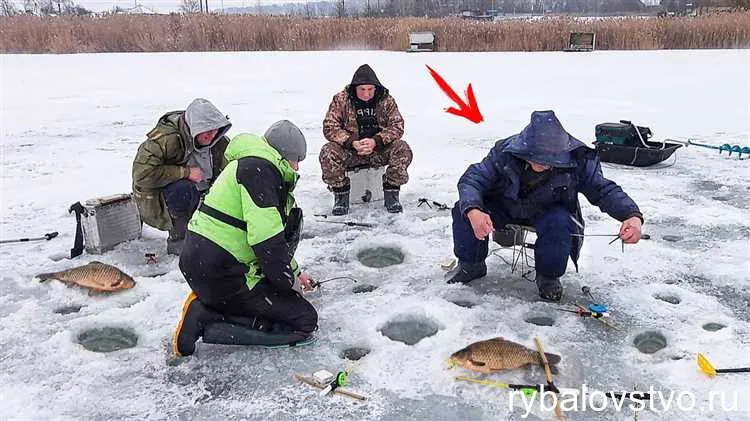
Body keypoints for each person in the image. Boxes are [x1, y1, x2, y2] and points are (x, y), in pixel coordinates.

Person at [447, 110, 643, 302]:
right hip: (505, 205)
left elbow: (603, 190)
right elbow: (472, 179)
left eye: (553, 159)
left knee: (560, 222)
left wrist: (631, 215)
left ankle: (548, 277)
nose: (548, 164)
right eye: (541, 159)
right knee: (463, 208)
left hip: (547, 211)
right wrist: (474, 210)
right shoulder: (505, 152)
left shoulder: (577, 159)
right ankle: (470, 265)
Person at [172, 120, 318, 357]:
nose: (297, 168)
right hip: (223, 274)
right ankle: (206, 313)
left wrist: (296, 272)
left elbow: (271, 238)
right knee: (304, 320)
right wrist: (285, 286)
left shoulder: (250, 164)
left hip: (205, 265)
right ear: (282, 156)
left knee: (283, 301)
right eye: (295, 160)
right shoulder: (261, 173)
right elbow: (267, 244)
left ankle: (215, 303)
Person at [132, 98, 232, 255]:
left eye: (214, 130)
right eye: (206, 131)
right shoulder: (165, 139)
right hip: (161, 199)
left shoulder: (219, 141)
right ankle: (179, 241)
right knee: (182, 189)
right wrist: (185, 172)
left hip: (204, 193)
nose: (211, 136)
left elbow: (232, 170)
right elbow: (142, 175)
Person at [320, 63, 413, 215]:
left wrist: (376, 141)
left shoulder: (386, 100)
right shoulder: (341, 100)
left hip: (378, 151)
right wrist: (351, 142)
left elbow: (397, 126)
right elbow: (330, 127)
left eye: (370, 89)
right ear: (354, 88)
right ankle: (340, 196)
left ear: (376, 88)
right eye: (362, 89)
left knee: (402, 148)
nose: (366, 94)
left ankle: (392, 193)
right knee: (328, 151)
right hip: (351, 151)